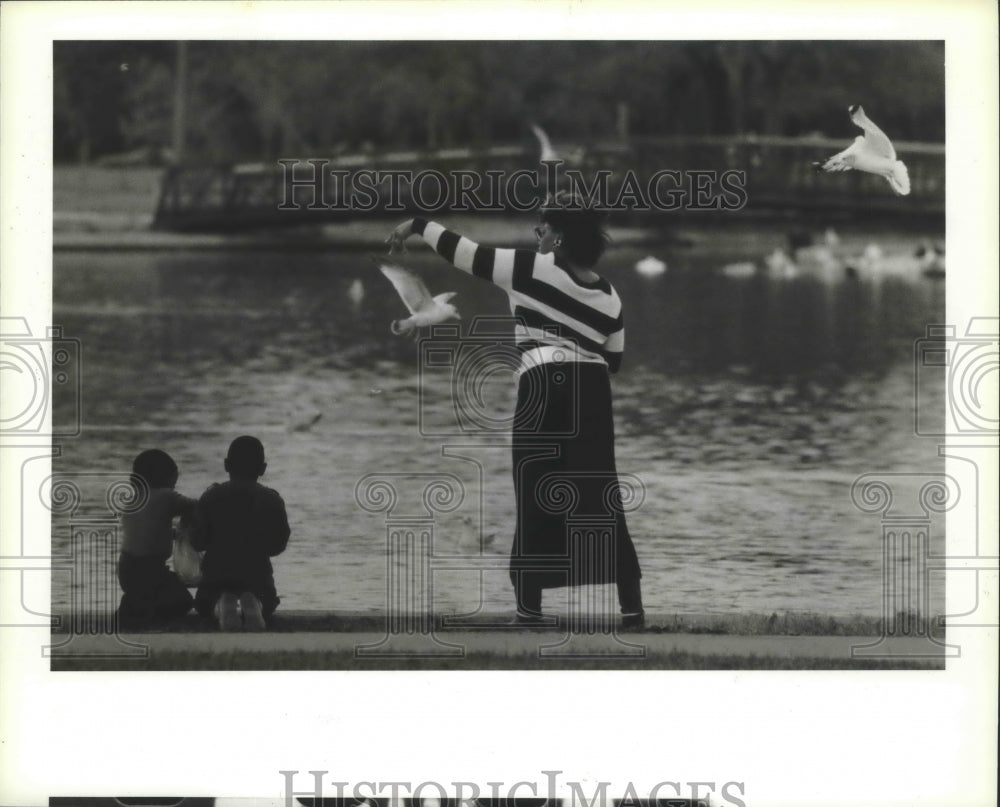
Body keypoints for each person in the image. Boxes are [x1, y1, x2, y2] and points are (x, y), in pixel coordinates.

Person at [386, 194, 644, 628]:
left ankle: (529, 612)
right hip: (593, 395)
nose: (536, 234)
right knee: (601, 497)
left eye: (542, 228)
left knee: (535, 493)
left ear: (558, 237)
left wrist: (416, 223)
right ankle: (633, 611)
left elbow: (464, 252)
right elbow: (614, 359)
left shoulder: (528, 268)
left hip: (543, 384)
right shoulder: (611, 296)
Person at [191, 436, 291, 631]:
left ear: (227, 465)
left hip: (216, 577)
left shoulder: (211, 496)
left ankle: (221, 605)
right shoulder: (272, 499)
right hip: (257, 578)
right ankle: (256, 604)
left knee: (204, 605)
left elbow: (198, 542)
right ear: (262, 469)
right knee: (268, 601)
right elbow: (278, 545)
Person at [117, 448, 198, 625]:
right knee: (183, 601)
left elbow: (149, 531)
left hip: (125, 569)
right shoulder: (166, 497)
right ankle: (138, 609)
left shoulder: (133, 500)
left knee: (148, 591)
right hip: (149, 570)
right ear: (168, 478)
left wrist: (176, 534)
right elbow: (196, 506)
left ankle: (135, 602)